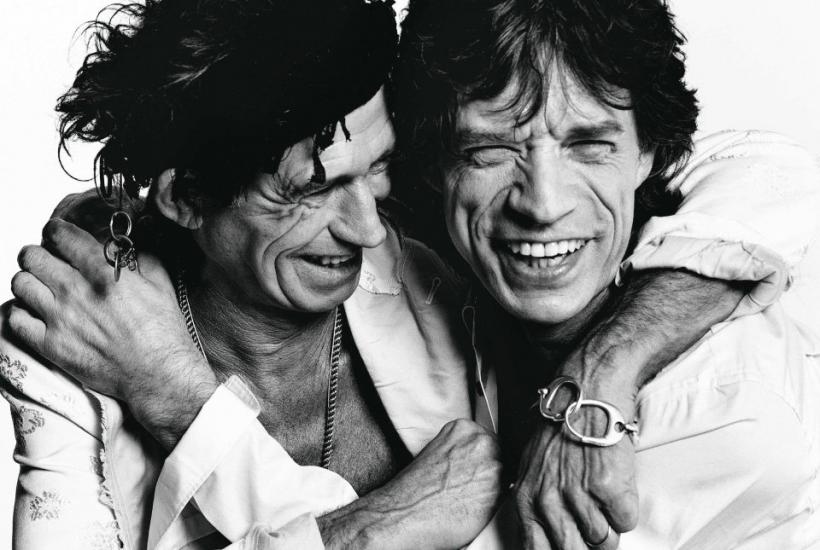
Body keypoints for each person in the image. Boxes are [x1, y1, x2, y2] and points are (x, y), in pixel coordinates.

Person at [4, 1, 820, 549]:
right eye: (310, 189)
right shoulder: (83, 325)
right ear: (184, 199)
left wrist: (606, 366)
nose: (368, 228)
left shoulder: (720, 411)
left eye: (379, 167)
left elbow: (765, 168)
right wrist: (383, 526)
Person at [392, 0, 820, 547]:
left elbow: (775, 168)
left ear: (648, 153)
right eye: (491, 151)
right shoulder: (405, 269)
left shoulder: (722, 402)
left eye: (589, 146)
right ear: (436, 163)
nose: (543, 205)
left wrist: (385, 523)